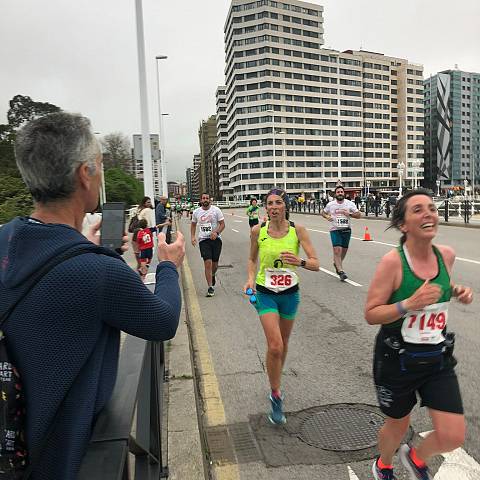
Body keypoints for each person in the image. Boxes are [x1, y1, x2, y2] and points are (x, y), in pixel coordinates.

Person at [0, 112, 185, 479]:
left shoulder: (7, 237)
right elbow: (162, 321)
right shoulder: (96, 271)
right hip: (66, 462)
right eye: (99, 165)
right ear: (85, 175)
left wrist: (78, 247)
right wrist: (168, 266)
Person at [365, 189, 473, 480]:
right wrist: (408, 304)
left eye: (432, 208)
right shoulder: (393, 262)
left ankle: (415, 457)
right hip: (396, 358)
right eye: (418, 210)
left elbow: (439, 291)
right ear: (403, 225)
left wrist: (457, 291)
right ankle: (383, 464)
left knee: (452, 435)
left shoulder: (446, 255)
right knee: (397, 425)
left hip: (436, 355)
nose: (429, 213)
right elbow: (371, 312)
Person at [244, 188, 319, 425]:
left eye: (278, 202)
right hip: (265, 293)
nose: (274, 207)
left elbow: (316, 264)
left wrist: (300, 262)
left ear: (285, 205)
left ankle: (275, 377)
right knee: (275, 345)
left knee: (283, 344)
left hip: (289, 294)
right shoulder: (258, 231)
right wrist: (249, 279)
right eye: (270, 203)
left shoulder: (298, 231)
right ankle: (276, 394)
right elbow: (251, 259)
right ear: (265, 207)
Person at [321, 185, 361, 281]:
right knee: (337, 250)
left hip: (346, 229)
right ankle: (341, 271)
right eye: (338, 192)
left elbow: (359, 215)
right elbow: (323, 212)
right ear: (335, 194)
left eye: (341, 192)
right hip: (335, 229)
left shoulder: (349, 204)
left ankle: (337, 263)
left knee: (344, 250)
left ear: (344, 193)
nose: (340, 193)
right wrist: (327, 217)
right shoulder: (331, 205)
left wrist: (350, 214)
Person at [191, 193, 225, 297]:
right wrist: (192, 237)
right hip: (203, 240)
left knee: (214, 264)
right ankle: (210, 287)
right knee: (208, 263)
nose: (205, 200)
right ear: (200, 200)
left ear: (209, 199)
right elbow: (193, 225)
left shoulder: (216, 210)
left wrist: (216, 232)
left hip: (216, 240)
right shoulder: (196, 212)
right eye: (203, 198)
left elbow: (223, 224)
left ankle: (213, 274)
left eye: (207, 198)